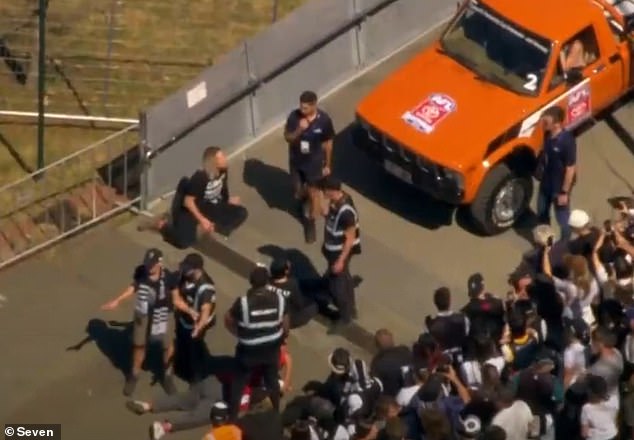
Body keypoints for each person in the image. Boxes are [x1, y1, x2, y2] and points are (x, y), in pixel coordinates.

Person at [101, 248, 196, 396]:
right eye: (147, 263)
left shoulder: (169, 278)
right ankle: (133, 375)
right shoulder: (141, 272)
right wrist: (117, 300)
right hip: (143, 314)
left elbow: (176, 300)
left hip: (164, 315)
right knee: (139, 346)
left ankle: (167, 376)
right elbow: (134, 287)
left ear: (160, 263)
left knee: (167, 347)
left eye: (151, 264)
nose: (148, 267)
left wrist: (190, 311)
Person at [144, 146, 247, 248]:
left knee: (241, 213)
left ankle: (213, 227)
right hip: (190, 208)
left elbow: (222, 188)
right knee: (184, 242)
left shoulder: (223, 170)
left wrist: (227, 199)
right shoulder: (201, 177)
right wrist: (202, 220)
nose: (225, 158)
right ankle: (163, 226)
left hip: (208, 204)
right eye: (221, 157)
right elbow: (188, 202)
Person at [224, 265, 288, 419]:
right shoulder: (279, 299)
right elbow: (285, 325)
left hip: (248, 352)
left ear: (251, 282)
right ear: (267, 282)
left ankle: (233, 417)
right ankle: (275, 412)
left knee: (239, 382)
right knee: (272, 380)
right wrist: (281, 338)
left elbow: (228, 319)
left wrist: (240, 334)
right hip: (271, 349)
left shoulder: (243, 303)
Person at [284, 90, 335, 243]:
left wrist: (328, 164)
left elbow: (328, 144)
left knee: (313, 196)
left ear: (314, 105)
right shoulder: (294, 117)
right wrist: (299, 129)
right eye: (301, 106)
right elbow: (287, 137)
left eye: (306, 108)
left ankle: (309, 222)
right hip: (297, 162)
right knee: (298, 193)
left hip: (314, 164)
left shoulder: (324, 121)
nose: (302, 110)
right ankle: (309, 197)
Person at [124, 374, 223, 440]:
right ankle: (164, 427)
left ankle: (147, 405)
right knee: (203, 415)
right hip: (224, 394)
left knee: (186, 399)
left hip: (211, 379)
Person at [320, 176, 361, 331]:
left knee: (337, 286)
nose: (323, 193)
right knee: (345, 278)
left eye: (324, 191)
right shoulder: (336, 201)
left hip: (339, 252)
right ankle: (351, 308)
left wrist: (340, 260)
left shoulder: (346, 212)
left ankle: (345, 317)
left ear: (331, 191)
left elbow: (349, 239)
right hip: (332, 248)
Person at [536, 105, 577, 241]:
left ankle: (564, 244)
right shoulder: (547, 134)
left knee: (563, 220)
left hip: (559, 189)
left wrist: (564, 192)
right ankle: (546, 241)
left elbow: (570, 169)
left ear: (557, 124)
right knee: (542, 213)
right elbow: (546, 153)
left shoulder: (567, 141)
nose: (543, 124)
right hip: (546, 184)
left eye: (546, 122)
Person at [175, 252, 216, 384]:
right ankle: (182, 366)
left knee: (194, 349)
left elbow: (205, 310)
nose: (184, 270)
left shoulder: (206, 287)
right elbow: (176, 296)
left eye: (188, 268)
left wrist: (198, 327)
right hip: (185, 317)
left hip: (198, 323)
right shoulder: (185, 276)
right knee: (182, 341)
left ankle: (196, 378)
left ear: (198, 269)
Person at [266, 256, 317, 329]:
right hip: (284, 319)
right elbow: (299, 303)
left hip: (269, 314)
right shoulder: (292, 284)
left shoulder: (267, 281)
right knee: (314, 307)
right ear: (286, 271)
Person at [425, 287, 469, 366]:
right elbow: (467, 337)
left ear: (435, 303)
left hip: (443, 364)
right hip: (462, 361)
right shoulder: (462, 318)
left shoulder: (430, 325)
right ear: (450, 301)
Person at [462, 273, 505, 343]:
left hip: (478, 349)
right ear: (483, 287)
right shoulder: (497, 303)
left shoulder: (465, 311)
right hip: (497, 346)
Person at [370, 328, 412, 398]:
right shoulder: (405, 351)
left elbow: (376, 387)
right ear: (392, 339)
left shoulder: (377, 364)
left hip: (394, 400)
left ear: (377, 345)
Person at [580, 375, 618, 440]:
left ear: (589, 392)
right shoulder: (614, 400)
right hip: (612, 434)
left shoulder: (586, 408)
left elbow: (584, 433)